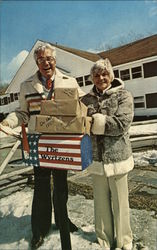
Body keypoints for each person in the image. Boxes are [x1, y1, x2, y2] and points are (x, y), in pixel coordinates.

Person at [1, 43, 85, 250]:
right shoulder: (26, 85)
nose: (46, 62)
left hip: (62, 142)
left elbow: (81, 107)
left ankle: (63, 221)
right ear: (36, 62)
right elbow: (22, 113)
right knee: (41, 186)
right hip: (39, 142)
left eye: (49, 59)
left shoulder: (70, 81)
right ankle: (39, 229)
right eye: (41, 59)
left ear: (55, 60)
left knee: (61, 185)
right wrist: (8, 122)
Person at [81, 58, 134, 250]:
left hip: (118, 157)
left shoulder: (123, 96)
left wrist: (97, 122)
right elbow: (80, 127)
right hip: (96, 159)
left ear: (111, 76)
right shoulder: (85, 100)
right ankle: (103, 240)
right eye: (96, 75)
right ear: (92, 78)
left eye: (104, 74)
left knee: (121, 203)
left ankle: (124, 241)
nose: (101, 78)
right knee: (101, 205)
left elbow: (122, 123)